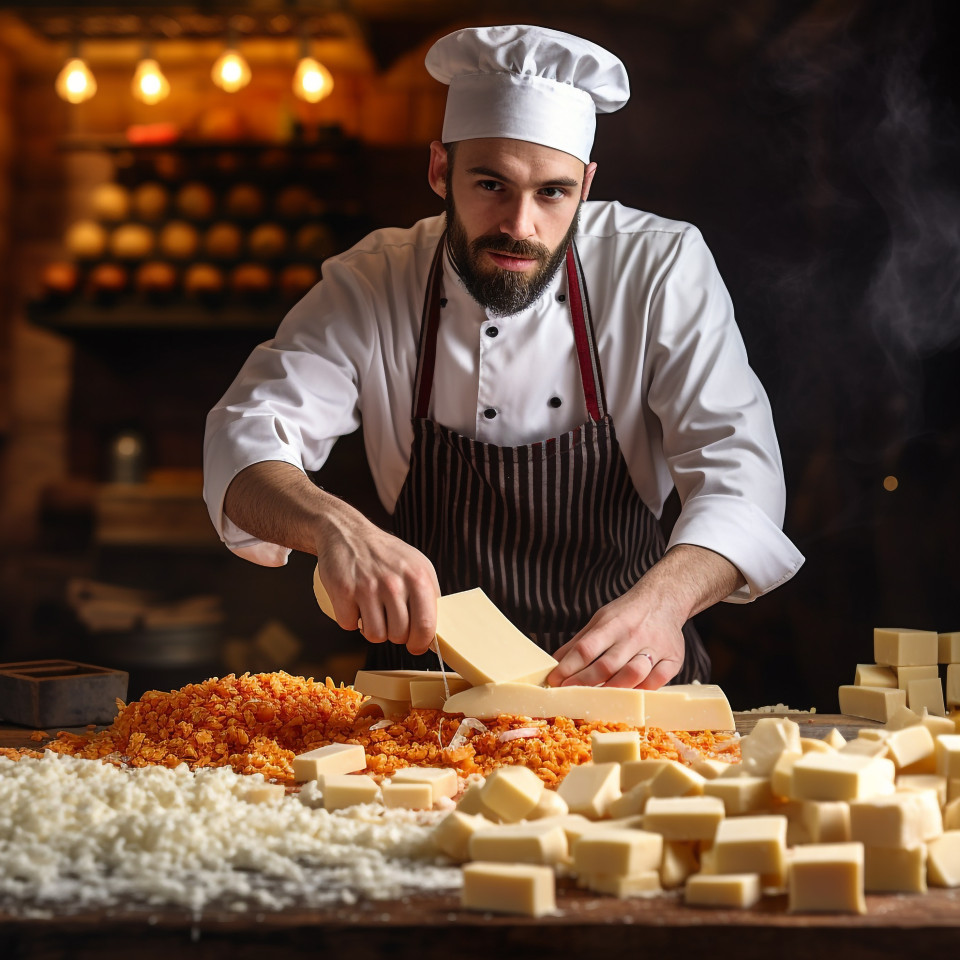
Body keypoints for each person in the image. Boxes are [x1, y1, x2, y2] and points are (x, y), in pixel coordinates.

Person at [203, 24, 804, 691]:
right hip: (427, 700)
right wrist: (334, 524)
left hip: (624, 687)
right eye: (491, 185)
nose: (520, 226)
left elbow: (741, 476)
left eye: (552, 192)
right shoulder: (373, 280)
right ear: (440, 170)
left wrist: (665, 603)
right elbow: (245, 437)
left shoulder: (658, 266)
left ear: (586, 184)